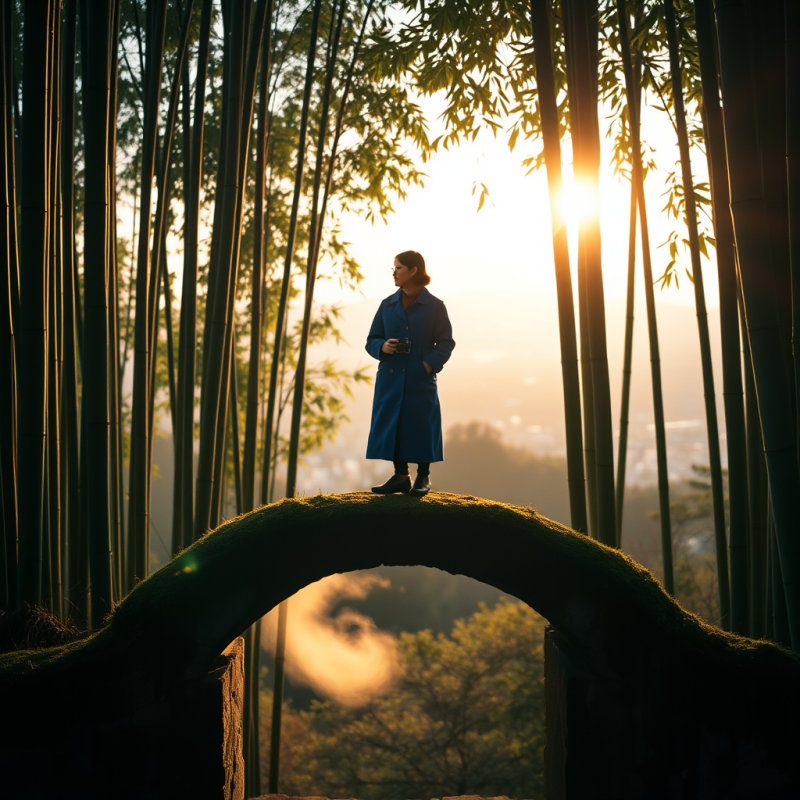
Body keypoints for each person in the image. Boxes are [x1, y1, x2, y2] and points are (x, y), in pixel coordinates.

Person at [365, 250, 455, 496]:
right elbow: (371, 339)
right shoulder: (387, 304)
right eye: (393, 268)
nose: (394, 273)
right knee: (395, 423)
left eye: (398, 268)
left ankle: (423, 477)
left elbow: (446, 342)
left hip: (419, 376)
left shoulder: (435, 306)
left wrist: (428, 365)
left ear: (413, 270)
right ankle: (400, 475)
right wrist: (382, 346)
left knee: (421, 424)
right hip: (390, 377)